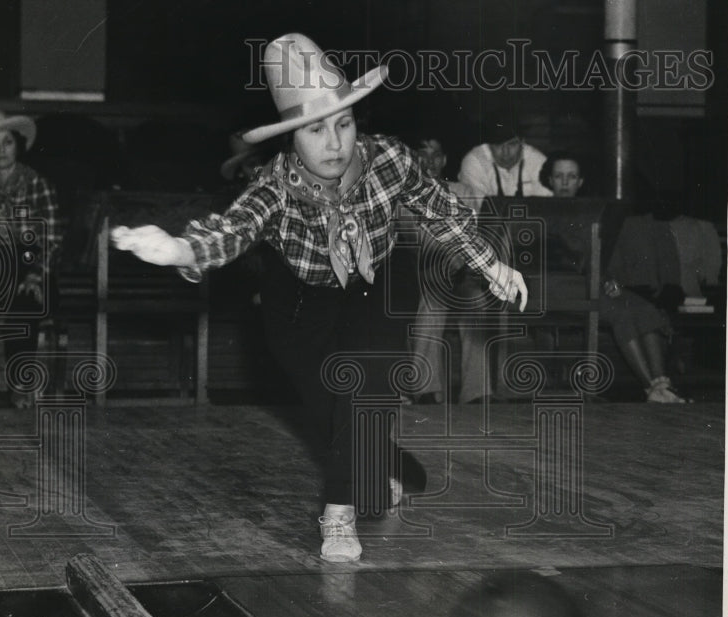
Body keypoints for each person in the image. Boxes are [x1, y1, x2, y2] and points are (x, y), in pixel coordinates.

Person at [112, 33, 527, 563]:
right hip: (299, 300)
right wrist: (178, 249)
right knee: (338, 416)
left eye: (344, 124)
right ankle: (381, 469)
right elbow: (234, 229)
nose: (334, 143)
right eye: (315, 129)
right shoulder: (274, 184)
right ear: (292, 137)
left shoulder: (390, 160)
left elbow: (441, 210)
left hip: (374, 283)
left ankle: (337, 514)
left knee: (366, 388)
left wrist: (490, 263)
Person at [540, 152, 688, 404]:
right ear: (550, 180)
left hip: (592, 284)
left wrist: (610, 279)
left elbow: (603, 255)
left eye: (572, 176)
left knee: (643, 308)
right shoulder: (540, 211)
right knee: (620, 313)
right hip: (554, 287)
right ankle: (649, 387)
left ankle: (663, 384)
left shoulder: (594, 212)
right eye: (559, 176)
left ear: (580, 181)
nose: (565, 182)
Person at [409, 136, 500, 404]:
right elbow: (413, 241)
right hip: (424, 273)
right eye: (422, 154)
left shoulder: (465, 191)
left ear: (445, 160)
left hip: (462, 274)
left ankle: (477, 393)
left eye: (435, 154)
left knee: (476, 302)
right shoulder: (405, 195)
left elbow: (481, 232)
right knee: (433, 302)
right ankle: (426, 389)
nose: (429, 161)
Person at [0, 111, 62, 408]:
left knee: (27, 299)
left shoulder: (36, 183)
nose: (2, 150)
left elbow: (52, 239)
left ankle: (20, 382)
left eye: (7, 142)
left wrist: (34, 275)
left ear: (17, 145)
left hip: (33, 268)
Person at [458, 110, 552, 210]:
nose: (505, 152)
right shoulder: (474, 162)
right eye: (498, 145)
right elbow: (479, 210)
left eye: (512, 144)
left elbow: (544, 208)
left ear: (522, 142)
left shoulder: (538, 161)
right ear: (488, 145)